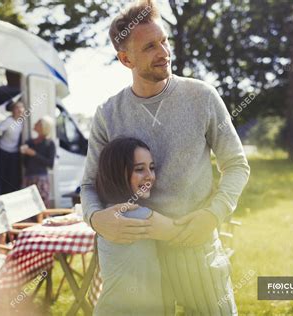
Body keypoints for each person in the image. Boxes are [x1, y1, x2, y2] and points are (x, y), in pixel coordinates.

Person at [81, 1, 250, 315]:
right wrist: (95, 218)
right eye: (149, 47)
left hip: (194, 246)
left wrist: (213, 215)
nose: (163, 52)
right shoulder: (107, 114)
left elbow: (236, 164)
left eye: (164, 41)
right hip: (137, 256)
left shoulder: (203, 96)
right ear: (125, 58)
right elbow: (89, 184)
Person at [94, 137, 181, 316]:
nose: (150, 175)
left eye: (152, 167)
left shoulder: (110, 212)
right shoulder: (134, 215)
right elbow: (182, 232)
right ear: (117, 173)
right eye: (139, 169)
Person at [21, 116, 56, 211]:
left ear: (43, 127)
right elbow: (25, 163)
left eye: (38, 123)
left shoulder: (49, 143)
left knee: (42, 206)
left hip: (41, 179)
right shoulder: (29, 142)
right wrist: (24, 154)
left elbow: (50, 164)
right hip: (28, 177)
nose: (35, 124)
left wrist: (34, 154)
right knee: (28, 206)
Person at [0, 101, 25, 194]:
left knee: (13, 176)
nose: (19, 110)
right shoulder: (8, 121)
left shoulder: (23, 122)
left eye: (21, 108)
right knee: (3, 175)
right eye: (17, 108)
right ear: (13, 111)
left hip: (15, 152)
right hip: (3, 150)